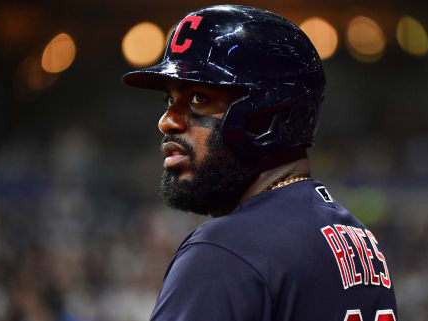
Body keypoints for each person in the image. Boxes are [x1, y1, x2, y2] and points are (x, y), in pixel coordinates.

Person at [123, 4, 397, 321]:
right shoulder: (358, 240)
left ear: (268, 114)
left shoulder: (224, 250)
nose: (167, 121)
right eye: (170, 100)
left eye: (198, 98)